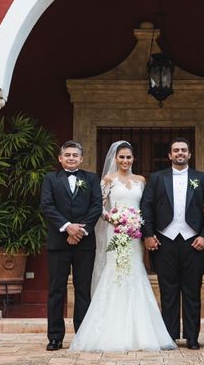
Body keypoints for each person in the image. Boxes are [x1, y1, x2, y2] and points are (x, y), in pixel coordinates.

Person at [69, 141, 176, 352]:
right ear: (115, 159)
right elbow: (98, 207)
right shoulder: (109, 180)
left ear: (133, 159)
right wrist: (114, 219)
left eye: (128, 157)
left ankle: (141, 333)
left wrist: (138, 225)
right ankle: (110, 330)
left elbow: (146, 206)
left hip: (135, 235)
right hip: (116, 232)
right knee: (115, 273)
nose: (125, 161)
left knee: (135, 273)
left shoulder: (141, 180)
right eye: (121, 157)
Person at [140, 137, 204, 350]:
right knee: (168, 291)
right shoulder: (157, 178)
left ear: (190, 154)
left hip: (194, 242)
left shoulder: (202, 178)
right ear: (170, 155)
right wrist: (147, 235)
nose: (180, 153)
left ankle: (192, 338)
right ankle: (170, 336)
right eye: (176, 150)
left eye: (184, 150)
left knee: (193, 291)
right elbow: (145, 207)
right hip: (164, 241)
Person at [41, 140, 103, 351]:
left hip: (84, 243)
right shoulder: (51, 179)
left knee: (83, 289)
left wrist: (79, 231)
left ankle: (82, 336)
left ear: (81, 158)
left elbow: (97, 206)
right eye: (67, 155)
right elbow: (47, 206)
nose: (71, 158)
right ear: (60, 158)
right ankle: (55, 337)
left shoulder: (91, 178)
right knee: (56, 290)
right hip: (58, 243)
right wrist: (67, 227)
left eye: (75, 155)